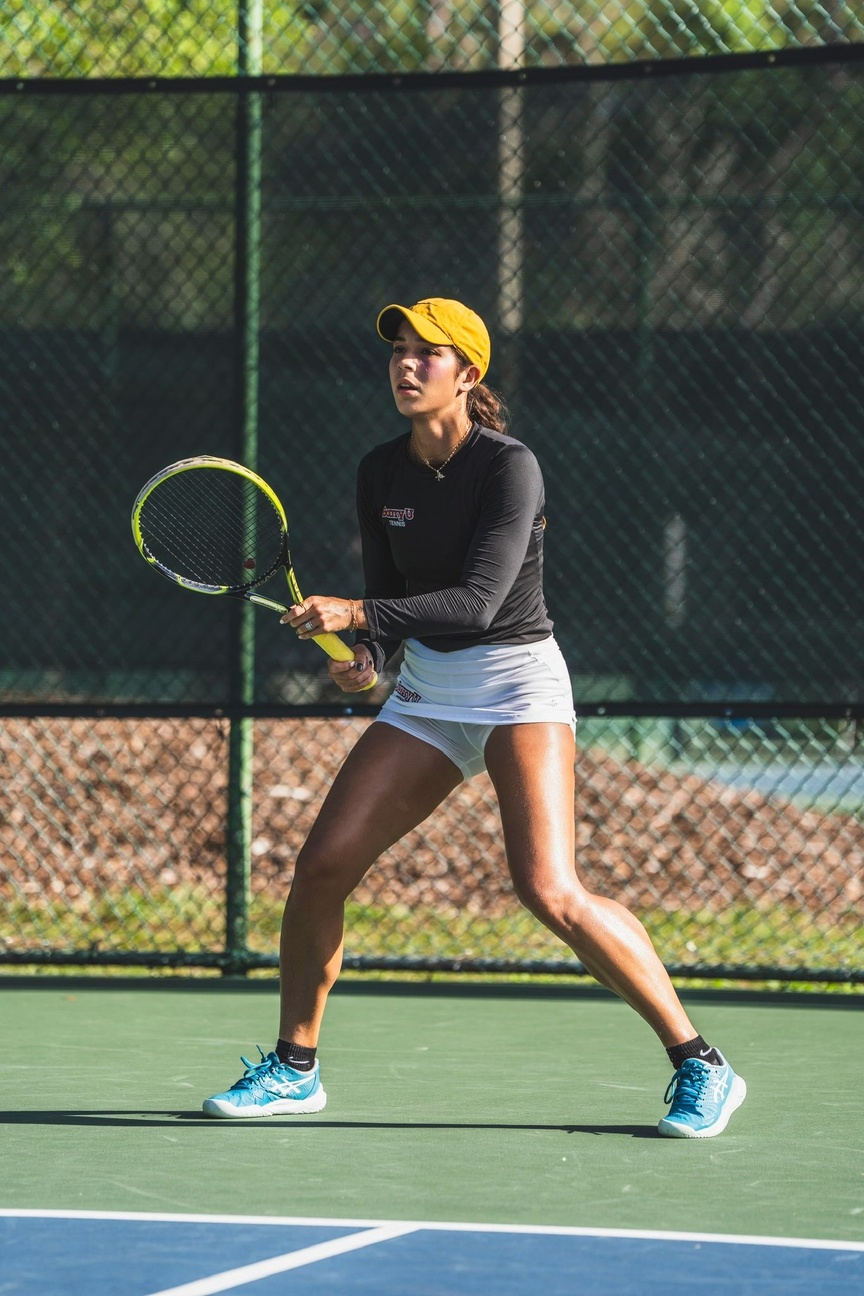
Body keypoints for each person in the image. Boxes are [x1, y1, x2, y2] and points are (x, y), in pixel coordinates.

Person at [203, 297, 746, 1138]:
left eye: (428, 353)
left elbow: (478, 602)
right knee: (322, 866)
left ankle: (700, 1063)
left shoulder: (508, 468)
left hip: (519, 687)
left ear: (469, 373)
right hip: (429, 693)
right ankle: (293, 1069)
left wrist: (360, 616)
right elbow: (390, 595)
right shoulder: (380, 472)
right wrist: (369, 656)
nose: (406, 364)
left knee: (549, 889)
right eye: (399, 350)